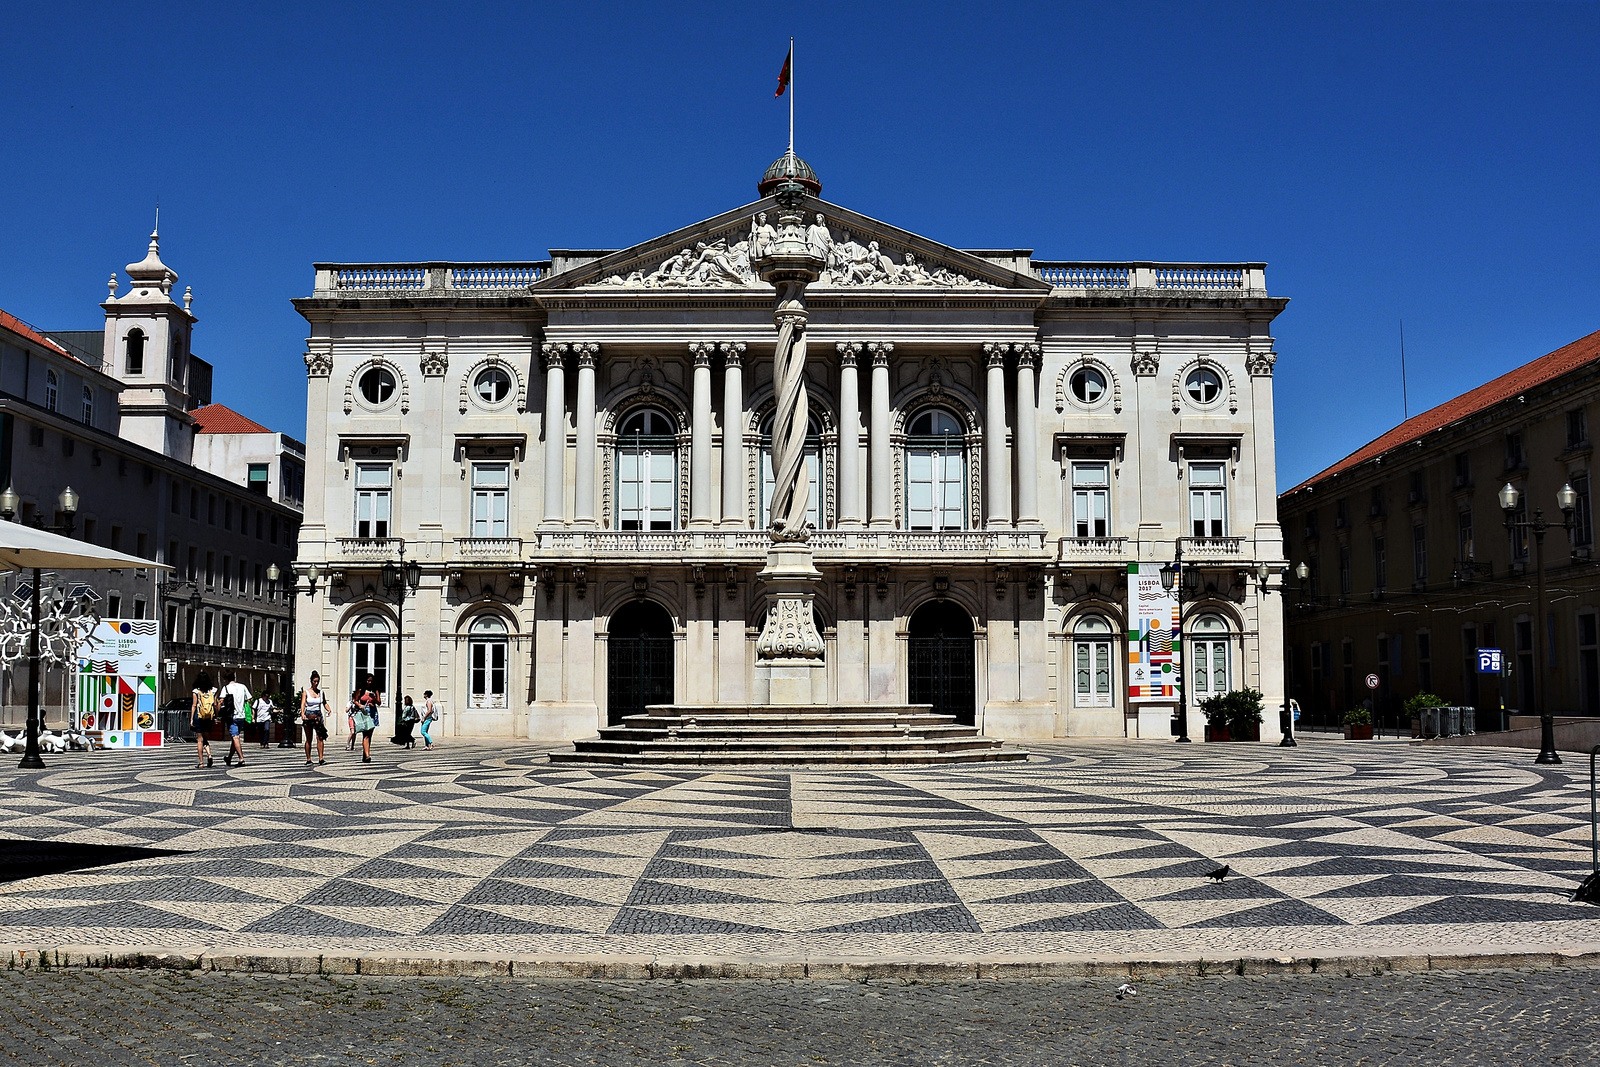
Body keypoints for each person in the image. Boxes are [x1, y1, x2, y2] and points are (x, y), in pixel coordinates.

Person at [220, 671, 251, 768]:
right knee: (235, 737)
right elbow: (249, 700)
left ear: (226, 679)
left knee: (235, 737)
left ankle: (241, 758)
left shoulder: (226, 688)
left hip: (232, 716)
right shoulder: (243, 686)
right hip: (241, 716)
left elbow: (221, 701)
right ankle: (229, 758)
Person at [189, 672, 217, 769]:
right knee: (205, 738)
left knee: (200, 740)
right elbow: (215, 705)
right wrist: (216, 717)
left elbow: (194, 705)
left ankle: (201, 762)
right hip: (209, 717)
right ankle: (209, 754)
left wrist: (191, 719)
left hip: (199, 715)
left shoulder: (196, 691)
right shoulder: (213, 691)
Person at [300, 672, 329, 766]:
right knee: (309, 738)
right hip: (309, 715)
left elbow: (324, 702)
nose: (316, 683)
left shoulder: (321, 692)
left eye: (317, 681)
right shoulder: (306, 692)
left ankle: (321, 758)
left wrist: (328, 709)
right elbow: (303, 703)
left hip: (318, 715)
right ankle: (308, 759)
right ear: (311, 681)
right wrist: (302, 713)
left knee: (320, 737)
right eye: (314, 681)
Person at [352, 683, 377, 763]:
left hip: (373, 712)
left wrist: (374, 698)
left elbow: (379, 702)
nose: (369, 682)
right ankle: (367, 755)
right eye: (368, 681)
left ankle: (365, 754)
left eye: (371, 681)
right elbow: (355, 700)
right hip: (364, 713)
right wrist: (360, 705)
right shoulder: (361, 690)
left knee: (369, 735)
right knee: (366, 735)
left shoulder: (375, 691)